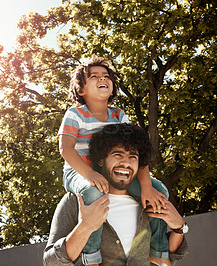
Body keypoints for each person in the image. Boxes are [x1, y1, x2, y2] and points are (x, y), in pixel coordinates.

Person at [58, 56, 169, 264]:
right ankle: (91, 257)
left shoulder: (118, 115)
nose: (102, 78)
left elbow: (137, 148)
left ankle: (159, 251)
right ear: (81, 90)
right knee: (94, 192)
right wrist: (89, 174)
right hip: (79, 171)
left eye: (106, 76)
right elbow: (66, 149)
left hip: (112, 171)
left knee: (160, 192)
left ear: (112, 87)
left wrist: (146, 186)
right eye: (94, 76)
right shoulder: (76, 114)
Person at [44, 123, 189, 265]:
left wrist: (179, 228)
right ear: (101, 161)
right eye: (118, 154)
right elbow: (51, 262)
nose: (126, 163)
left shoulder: (149, 201)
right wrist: (85, 227)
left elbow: (166, 260)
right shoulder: (77, 200)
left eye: (133, 157)